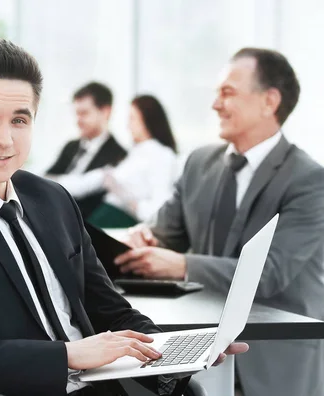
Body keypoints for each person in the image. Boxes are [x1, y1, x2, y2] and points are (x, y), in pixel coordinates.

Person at [0, 38, 246, 396]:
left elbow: (112, 312)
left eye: (20, 121)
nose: (5, 139)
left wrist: (179, 350)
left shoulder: (51, 199)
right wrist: (67, 356)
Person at [114, 48, 324, 396]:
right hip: (204, 355)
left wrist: (181, 265)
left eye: (227, 93)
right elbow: (166, 231)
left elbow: (271, 274)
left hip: (276, 362)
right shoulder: (199, 163)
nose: (215, 105)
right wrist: (144, 238)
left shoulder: (309, 180)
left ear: (269, 101)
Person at [60, 95, 178, 228]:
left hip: (122, 221)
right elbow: (85, 183)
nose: (128, 126)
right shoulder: (134, 154)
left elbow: (158, 210)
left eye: (132, 119)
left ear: (148, 120)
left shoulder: (162, 155)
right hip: (105, 215)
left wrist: (127, 199)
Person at [45, 82, 127, 218]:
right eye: (76, 114)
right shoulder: (71, 146)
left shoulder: (118, 156)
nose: (78, 120)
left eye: (84, 113)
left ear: (105, 112)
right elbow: (45, 179)